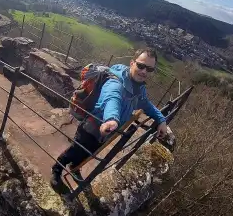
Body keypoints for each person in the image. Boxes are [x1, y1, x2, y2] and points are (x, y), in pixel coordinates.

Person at [51, 48, 172, 193]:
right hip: (93, 126)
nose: (144, 71)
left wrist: (161, 119)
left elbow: (146, 104)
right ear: (132, 63)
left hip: (108, 132)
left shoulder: (139, 89)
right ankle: (57, 170)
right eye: (140, 66)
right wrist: (111, 119)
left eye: (149, 69)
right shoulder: (115, 82)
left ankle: (74, 167)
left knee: (89, 153)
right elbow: (112, 98)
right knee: (75, 150)